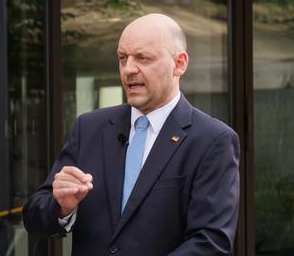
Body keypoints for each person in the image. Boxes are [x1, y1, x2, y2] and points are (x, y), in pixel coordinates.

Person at [23, 13, 240, 256]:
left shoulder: (212, 140)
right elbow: (34, 218)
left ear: (179, 64)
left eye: (143, 58)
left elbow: (211, 242)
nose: (128, 69)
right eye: (122, 58)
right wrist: (62, 207)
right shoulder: (90, 128)